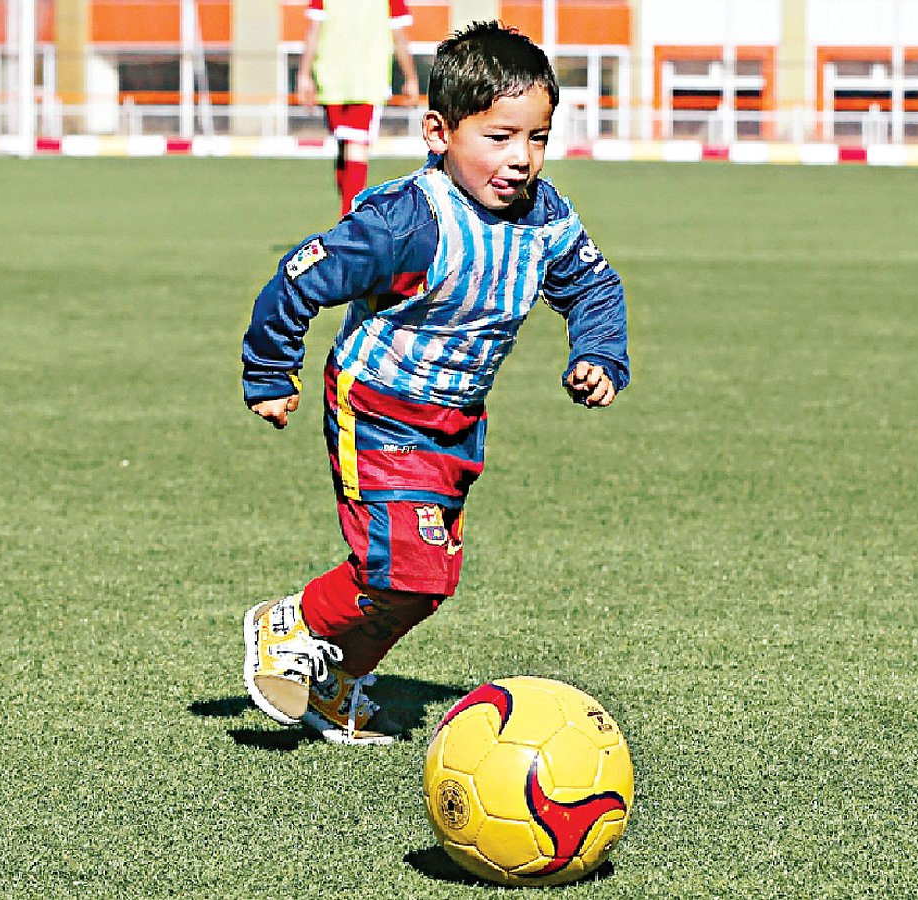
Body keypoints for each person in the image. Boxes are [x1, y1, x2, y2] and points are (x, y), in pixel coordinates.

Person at [241, 21, 630, 746]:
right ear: (438, 132)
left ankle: (337, 682)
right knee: (398, 567)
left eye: (537, 138)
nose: (520, 159)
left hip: (456, 424)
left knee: (428, 583)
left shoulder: (546, 218)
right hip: (378, 410)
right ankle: (290, 623)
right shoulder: (406, 224)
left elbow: (595, 286)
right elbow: (298, 276)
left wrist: (601, 354)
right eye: (498, 137)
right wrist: (270, 371)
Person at [296, 0, 421, 216]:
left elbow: (313, 32)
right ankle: (349, 222)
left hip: (331, 80)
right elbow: (399, 36)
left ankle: (347, 218)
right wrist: (410, 77)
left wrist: (304, 75)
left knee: (348, 147)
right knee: (353, 149)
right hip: (367, 81)